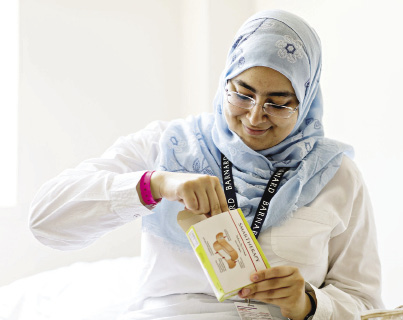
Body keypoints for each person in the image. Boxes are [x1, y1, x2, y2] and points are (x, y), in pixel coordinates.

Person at [29, 9, 383, 320]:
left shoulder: (335, 175)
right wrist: (155, 184)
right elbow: (45, 221)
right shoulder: (168, 146)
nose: (255, 116)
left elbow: (367, 302)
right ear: (225, 80)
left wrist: (310, 304)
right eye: (242, 93)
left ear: (305, 103)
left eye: (278, 103)